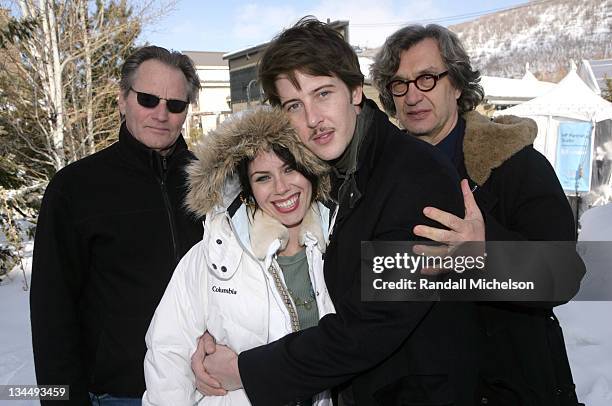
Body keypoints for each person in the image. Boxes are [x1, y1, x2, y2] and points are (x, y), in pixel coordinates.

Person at [194, 17, 481, 406]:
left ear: (355, 92)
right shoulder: (323, 172)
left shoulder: (413, 178)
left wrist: (245, 370)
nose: (313, 119)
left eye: (323, 93)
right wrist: (210, 335)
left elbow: (369, 327)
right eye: (295, 105)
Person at [370, 24, 584, 405]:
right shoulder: (378, 178)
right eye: (399, 84)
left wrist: (485, 252)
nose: (412, 95)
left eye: (427, 78)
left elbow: (563, 275)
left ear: (456, 83)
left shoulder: (516, 165)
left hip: (508, 389)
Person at [30, 46, 204, 405]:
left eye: (175, 105)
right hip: (116, 395)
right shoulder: (75, 188)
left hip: (202, 390)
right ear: (123, 100)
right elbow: (52, 312)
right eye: (147, 99)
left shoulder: (211, 181)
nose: (161, 114)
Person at [142, 107, 335, 406]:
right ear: (247, 190)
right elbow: (167, 354)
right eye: (262, 178)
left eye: (289, 168)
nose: (281, 188)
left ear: (309, 168)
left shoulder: (340, 243)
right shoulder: (212, 257)